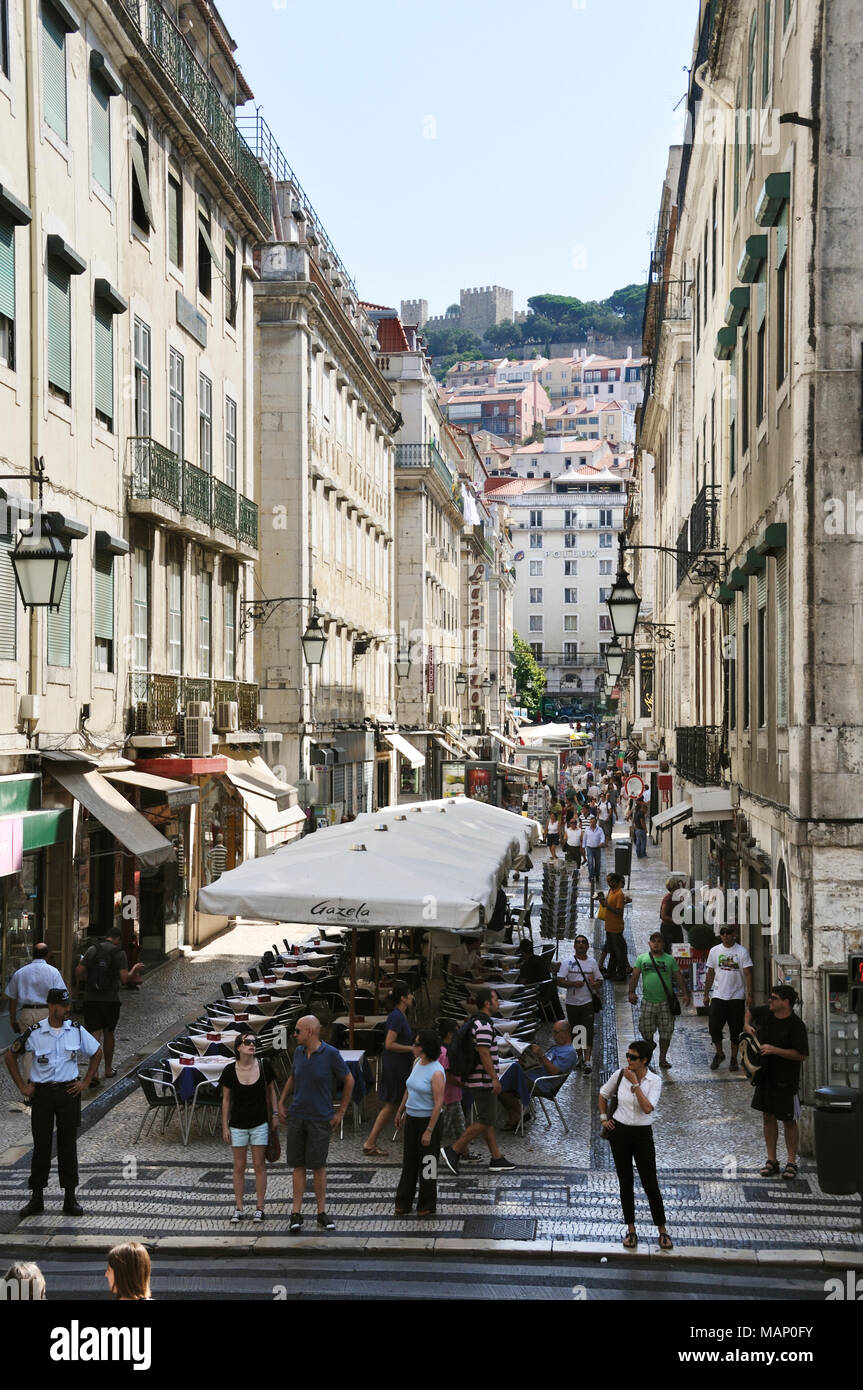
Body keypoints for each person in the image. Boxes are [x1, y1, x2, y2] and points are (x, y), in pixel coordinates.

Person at [4, 987, 102, 1216]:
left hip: (69, 1094)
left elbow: (96, 1052)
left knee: (68, 1146)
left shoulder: (75, 1030)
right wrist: (22, 1086)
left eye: (68, 1005)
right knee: (41, 1146)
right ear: (51, 1006)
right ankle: (36, 1198)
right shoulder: (35, 1032)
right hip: (43, 1096)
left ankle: (70, 1198)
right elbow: (10, 1055)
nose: (68, 1009)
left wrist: (86, 1081)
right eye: (64, 1006)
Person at [278, 1014, 353, 1232]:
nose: (294, 1035)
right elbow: (292, 1077)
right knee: (297, 1165)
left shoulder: (330, 1054)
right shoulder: (299, 1052)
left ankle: (321, 1211)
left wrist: (341, 1112)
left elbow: (349, 1080)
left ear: (310, 1031)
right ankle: (296, 1212)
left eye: (298, 1031)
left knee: (318, 1166)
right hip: (297, 1116)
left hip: (320, 1118)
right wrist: (282, 1102)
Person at [600, 1039, 672, 1249]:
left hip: (642, 1134)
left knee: (650, 1182)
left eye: (633, 1057)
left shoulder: (654, 1081)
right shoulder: (620, 1074)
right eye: (628, 1056)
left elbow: (648, 1108)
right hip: (620, 1132)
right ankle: (631, 1229)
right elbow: (603, 1094)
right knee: (625, 1181)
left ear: (644, 1060)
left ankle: (662, 1229)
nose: (628, 1060)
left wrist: (635, 1085)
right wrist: (604, 1117)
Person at [441, 988, 515, 1175]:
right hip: (482, 1081)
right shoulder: (483, 1025)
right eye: (496, 1000)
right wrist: (494, 1079)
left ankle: (496, 1158)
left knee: (486, 1119)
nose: (498, 1003)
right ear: (487, 1004)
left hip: (478, 1079)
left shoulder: (478, 1022)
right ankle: (454, 1150)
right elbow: (483, 1053)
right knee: (486, 1120)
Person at [744, 985, 809, 1180]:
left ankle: (791, 1162)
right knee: (768, 1117)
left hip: (786, 1080)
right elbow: (750, 1011)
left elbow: (802, 1055)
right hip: (764, 1077)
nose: (769, 1001)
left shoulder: (796, 1025)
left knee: (789, 1121)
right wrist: (747, 1026)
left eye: (773, 998)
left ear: (785, 1002)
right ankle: (771, 1160)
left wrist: (775, 1050)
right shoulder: (766, 1013)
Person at [221, 1033, 279, 1223]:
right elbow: (226, 1100)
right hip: (237, 1124)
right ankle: (238, 1207)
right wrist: (224, 1126)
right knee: (239, 1166)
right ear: (238, 1047)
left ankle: (260, 1208)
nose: (252, 1045)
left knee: (259, 1165)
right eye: (248, 1042)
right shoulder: (230, 1070)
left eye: (255, 1042)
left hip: (260, 1123)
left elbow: (272, 1091)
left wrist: (276, 1114)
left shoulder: (264, 1066)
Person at [75, 925, 143, 1085]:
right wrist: (134, 970)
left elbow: (78, 972)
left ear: (107, 936)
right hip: (110, 999)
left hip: (91, 998)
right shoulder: (119, 953)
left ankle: (94, 1072)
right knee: (109, 1034)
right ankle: (108, 1068)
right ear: (118, 939)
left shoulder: (92, 950)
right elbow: (125, 979)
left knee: (94, 1035)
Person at [394, 1029, 446, 1216]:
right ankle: (403, 1201)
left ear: (424, 1048)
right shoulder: (416, 1062)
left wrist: (429, 1130)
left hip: (428, 1121)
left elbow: (438, 1103)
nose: (412, 1047)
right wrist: (400, 1110)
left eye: (416, 1044)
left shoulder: (437, 1072)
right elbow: (409, 1089)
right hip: (412, 1118)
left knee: (428, 1163)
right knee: (409, 1161)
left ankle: (427, 1203)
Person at [362, 981, 415, 1156]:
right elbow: (389, 1044)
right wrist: (411, 1049)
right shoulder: (397, 1017)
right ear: (403, 998)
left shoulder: (400, 1015)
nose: (412, 997)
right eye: (410, 994)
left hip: (400, 1063)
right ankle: (370, 1141)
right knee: (392, 1103)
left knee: (397, 1102)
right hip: (396, 1065)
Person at [5, 944, 67, 1086]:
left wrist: (13, 1018)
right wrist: (62, 1016)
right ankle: (46, 1082)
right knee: (49, 1046)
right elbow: (61, 995)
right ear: (47, 955)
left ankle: (29, 1086)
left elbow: (12, 997)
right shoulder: (53, 972)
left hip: (27, 1012)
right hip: (47, 1012)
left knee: (28, 1050)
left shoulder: (20, 972)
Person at [498, 1020, 578, 1129]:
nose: (553, 1036)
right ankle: (518, 1114)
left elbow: (554, 1071)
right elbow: (543, 1063)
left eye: (556, 1032)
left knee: (500, 1083)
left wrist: (541, 1055)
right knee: (502, 1078)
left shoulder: (569, 1052)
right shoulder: (557, 1047)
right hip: (533, 1076)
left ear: (566, 1033)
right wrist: (527, 1059)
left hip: (542, 1084)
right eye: (553, 1032)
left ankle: (517, 1115)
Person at [629, 932, 691, 1069]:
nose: (656, 943)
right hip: (647, 1001)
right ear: (649, 943)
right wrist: (631, 992)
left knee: (666, 1031)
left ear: (663, 944)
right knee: (645, 1029)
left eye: (659, 941)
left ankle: (662, 1059)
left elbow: (678, 976)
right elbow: (635, 976)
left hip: (665, 1002)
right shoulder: (642, 958)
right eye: (653, 941)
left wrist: (685, 993)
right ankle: (650, 1043)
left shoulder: (670, 960)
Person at [703, 925, 754, 1071]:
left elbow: (748, 974)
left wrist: (749, 995)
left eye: (728, 933)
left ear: (734, 935)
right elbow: (710, 973)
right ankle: (719, 1054)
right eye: (723, 933)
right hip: (718, 995)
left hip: (736, 996)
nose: (725, 936)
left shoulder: (741, 951)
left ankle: (733, 1057)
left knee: (735, 1029)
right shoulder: (715, 951)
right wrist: (706, 994)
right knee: (714, 1026)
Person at [559, 935, 602, 1072]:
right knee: (577, 1030)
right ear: (574, 946)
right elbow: (560, 980)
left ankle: (588, 1060)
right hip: (572, 1003)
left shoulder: (592, 963)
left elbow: (600, 979)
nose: (581, 944)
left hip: (587, 1002)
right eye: (578, 942)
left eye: (583, 942)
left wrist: (595, 984)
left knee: (588, 1031)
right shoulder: (568, 962)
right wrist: (572, 983)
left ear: (587, 946)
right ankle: (580, 1058)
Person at [516, 939, 564, 1020]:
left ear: (522, 952)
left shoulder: (527, 965)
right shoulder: (540, 959)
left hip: (537, 992)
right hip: (546, 989)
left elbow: (521, 983)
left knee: (515, 993)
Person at [598, 872, 631, 981]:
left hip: (616, 927)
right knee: (612, 950)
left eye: (610, 881)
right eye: (607, 881)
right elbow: (606, 905)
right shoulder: (611, 891)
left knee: (619, 952)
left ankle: (621, 973)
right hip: (609, 926)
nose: (609, 883)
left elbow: (619, 911)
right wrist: (601, 901)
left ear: (616, 881)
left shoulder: (619, 894)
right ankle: (611, 971)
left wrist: (607, 905)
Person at [659, 876, 688, 953]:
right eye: (678, 885)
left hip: (676, 927)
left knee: (679, 949)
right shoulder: (668, 899)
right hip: (668, 929)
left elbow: (682, 902)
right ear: (674, 886)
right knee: (669, 950)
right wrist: (675, 920)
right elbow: (663, 916)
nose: (680, 887)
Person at [581, 813, 606, 885]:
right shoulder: (587, 830)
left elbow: (602, 837)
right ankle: (591, 876)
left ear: (596, 822)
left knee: (597, 863)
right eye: (591, 822)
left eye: (593, 822)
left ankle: (597, 875)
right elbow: (584, 839)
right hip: (589, 848)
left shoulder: (599, 829)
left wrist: (601, 842)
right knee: (590, 863)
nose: (592, 823)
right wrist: (583, 847)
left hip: (597, 848)